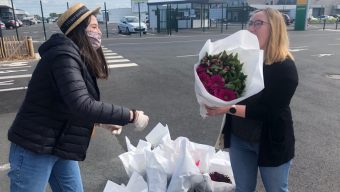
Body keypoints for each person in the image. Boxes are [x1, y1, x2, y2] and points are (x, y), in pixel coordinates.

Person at [7, 3, 149, 192]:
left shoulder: (75, 55)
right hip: (35, 147)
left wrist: (100, 123)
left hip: (61, 145)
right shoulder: (63, 56)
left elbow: (69, 102)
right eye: (93, 27)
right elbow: (81, 104)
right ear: (79, 31)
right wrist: (131, 115)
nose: (99, 32)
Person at [206, 8, 299, 192]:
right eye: (251, 23)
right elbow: (229, 89)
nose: (251, 28)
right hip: (240, 138)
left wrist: (228, 108)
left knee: (276, 190)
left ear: (275, 28)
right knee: (243, 189)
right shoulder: (244, 59)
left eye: (258, 23)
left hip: (271, 141)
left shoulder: (285, 69)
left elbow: (269, 112)